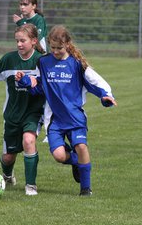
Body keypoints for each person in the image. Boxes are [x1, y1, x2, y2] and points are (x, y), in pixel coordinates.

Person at [16, 25, 117, 196]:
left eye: (59, 48)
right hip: (55, 120)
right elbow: (39, 86)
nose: (55, 51)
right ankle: (77, 162)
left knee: (81, 146)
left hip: (75, 118)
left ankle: (86, 189)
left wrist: (105, 96)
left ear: (68, 44)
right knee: (59, 156)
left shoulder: (77, 64)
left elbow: (96, 82)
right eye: (53, 48)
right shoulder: (44, 62)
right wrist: (25, 80)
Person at [0, 24, 46, 195]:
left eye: (23, 41)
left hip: (33, 112)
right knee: (8, 157)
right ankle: (7, 175)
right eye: (17, 41)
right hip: (13, 114)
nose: (19, 44)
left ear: (34, 41)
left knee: (29, 140)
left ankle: (31, 186)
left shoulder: (42, 61)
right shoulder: (9, 59)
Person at [13, 0, 49, 142]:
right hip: (30, 60)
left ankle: (49, 130)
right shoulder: (25, 22)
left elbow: (36, 38)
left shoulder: (38, 20)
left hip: (41, 60)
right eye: (21, 4)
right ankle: (31, 125)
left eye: (26, 4)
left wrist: (20, 23)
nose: (22, 7)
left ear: (34, 6)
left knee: (47, 95)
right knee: (30, 92)